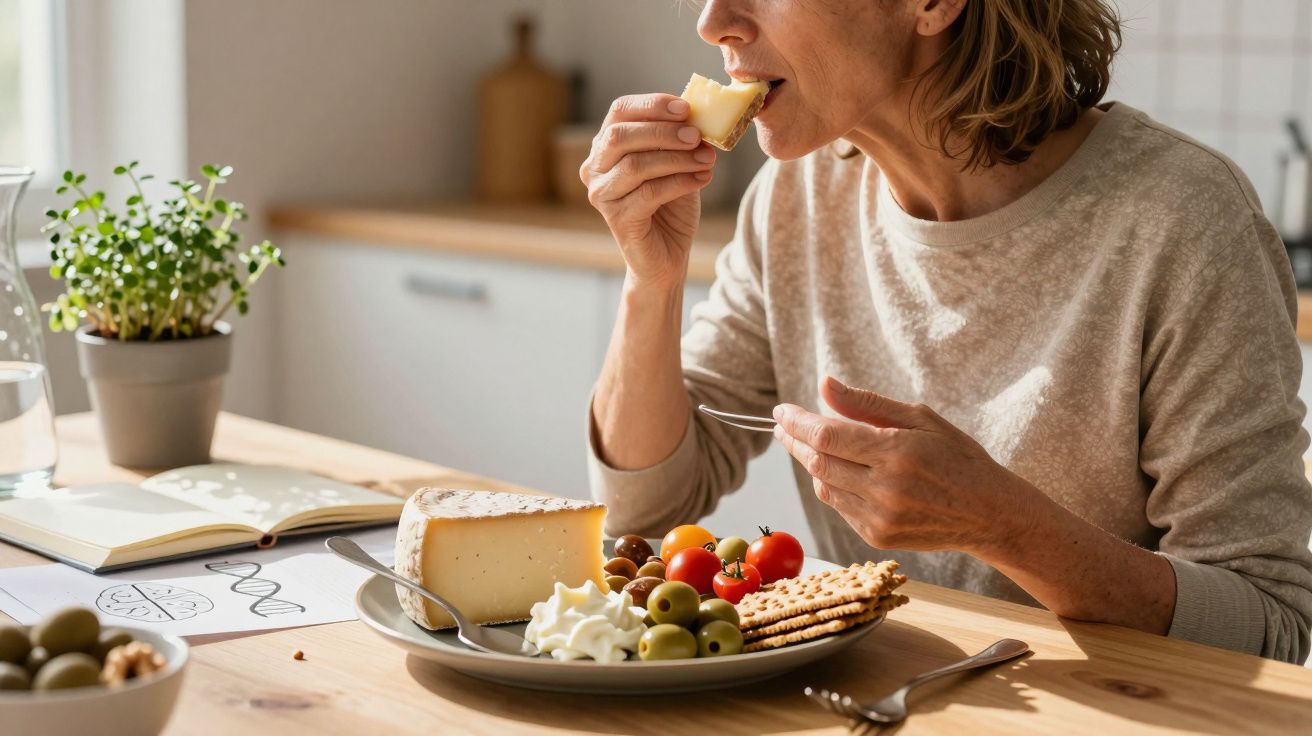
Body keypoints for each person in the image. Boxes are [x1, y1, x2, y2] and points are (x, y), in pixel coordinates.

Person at [579, 0, 1312, 663]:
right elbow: (647, 507)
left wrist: (1002, 525)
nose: (712, 23)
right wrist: (652, 278)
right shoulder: (796, 195)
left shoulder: (1184, 220)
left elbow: (1269, 624)